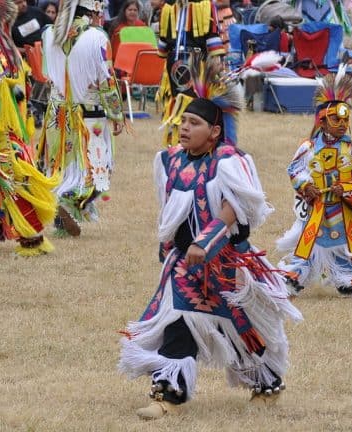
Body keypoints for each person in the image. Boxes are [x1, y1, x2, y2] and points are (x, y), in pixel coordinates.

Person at [118, 57, 302, 420]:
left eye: (195, 123)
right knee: (177, 322)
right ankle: (167, 393)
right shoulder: (170, 160)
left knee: (242, 328)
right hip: (186, 263)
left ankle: (265, 382)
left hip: (228, 263)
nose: (184, 128)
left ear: (215, 131)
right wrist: (170, 245)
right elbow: (168, 207)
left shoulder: (229, 161)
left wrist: (206, 240)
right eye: (183, 120)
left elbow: (235, 208)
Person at [0, 0, 58, 259]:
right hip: (11, 124)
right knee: (12, 179)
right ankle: (31, 235)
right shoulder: (5, 43)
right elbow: (23, 87)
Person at [276, 68, 352, 296]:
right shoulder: (309, 148)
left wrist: (347, 187)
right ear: (322, 122)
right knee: (309, 240)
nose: (342, 124)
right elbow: (294, 169)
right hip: (317, 207)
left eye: (345, 119)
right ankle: (295, 275)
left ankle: (347, 277)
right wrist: (306, 185)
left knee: (344, 244)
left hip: (344, 208)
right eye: (336, 119)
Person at [38, 0, 125, 237]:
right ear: (93, 11)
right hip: (89, 115)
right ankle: (68, 202)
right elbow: (106, 81)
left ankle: (61, 222)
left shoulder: (49, 34)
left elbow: (46, 74)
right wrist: (117, 113)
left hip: (57, 115)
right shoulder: (97, 37)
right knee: (98, 171)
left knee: (63, 169)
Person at [156, 0, 226, 145]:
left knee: (196, 104)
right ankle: (177, 142)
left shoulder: (204, 6)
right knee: (176, 104)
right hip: (176, 65)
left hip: (195, 64)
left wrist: (217, 62)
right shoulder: (169, 9)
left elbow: (212, 36)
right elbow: (163, 43)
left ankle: (196, 143)